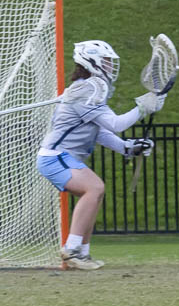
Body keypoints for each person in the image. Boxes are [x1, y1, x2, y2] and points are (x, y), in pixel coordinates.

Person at [36, 40, 165, 269]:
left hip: (62, 158)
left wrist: (127, 147)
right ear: (91, 61)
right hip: (54, 157)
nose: (110, 65)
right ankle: (72, 250)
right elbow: (115, 124)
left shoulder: (87, 88)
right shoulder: (89, 88)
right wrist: (144, 107)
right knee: (94, 188)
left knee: (96, 192)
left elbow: (100, 132)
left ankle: (82, 253)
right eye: (106, 60)